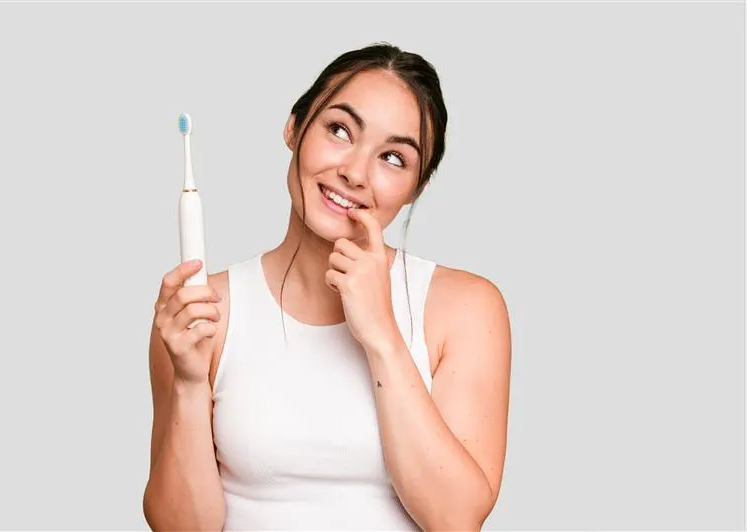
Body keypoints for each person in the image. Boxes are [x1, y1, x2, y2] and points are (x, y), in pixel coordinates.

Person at [142, 42, 512, 531]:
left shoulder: (466, 309)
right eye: (340, 130)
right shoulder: (206, 312)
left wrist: (381, 334)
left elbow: (456, 519)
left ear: (417, 187)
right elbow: (182, 528)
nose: (354, 173)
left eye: (394, 158)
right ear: (294, 127)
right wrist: (190, 384)